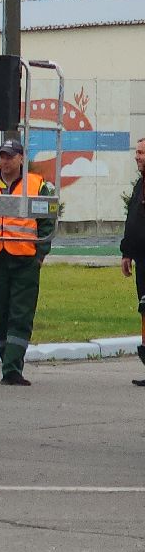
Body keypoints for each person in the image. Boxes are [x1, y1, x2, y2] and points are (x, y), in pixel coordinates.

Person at [0, 139, 56, 386]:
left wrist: (40, 254)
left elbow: (48, 219)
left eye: (10, 156)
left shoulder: (37, 185)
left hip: (25, 260)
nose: (5, 161)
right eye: (2, 156)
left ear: (22, 158)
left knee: (20, 315)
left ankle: (12, 368)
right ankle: (8, 361)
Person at [120, 137, 145, 385]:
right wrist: (127, 252)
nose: (137, 156)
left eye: (141, 152)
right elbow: (133, 221)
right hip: (141, 260)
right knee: (144, 309)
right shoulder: (140, 185)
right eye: (137, 152)